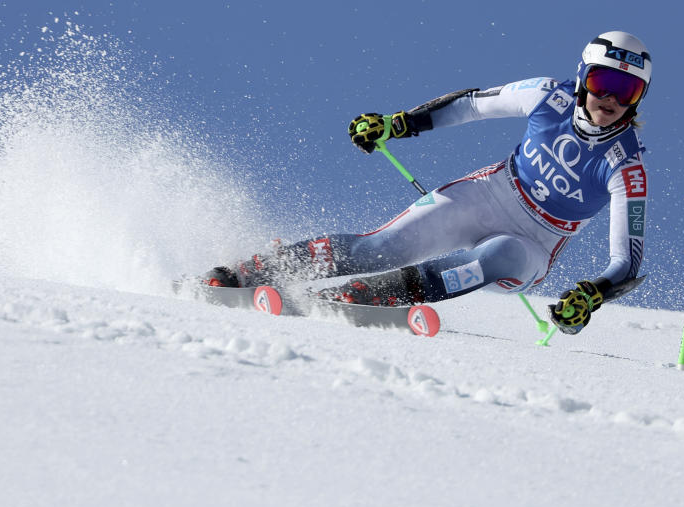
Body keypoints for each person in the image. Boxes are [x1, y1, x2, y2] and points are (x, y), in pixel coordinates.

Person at [203, 31, 652, 334]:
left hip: (535, 243)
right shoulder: (546, 96)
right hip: (491, 193)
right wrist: (399, 124)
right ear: (582, 78)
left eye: (626, 91)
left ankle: (361, 298)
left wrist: (594, 294)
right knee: (378, 248)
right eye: (602, 81)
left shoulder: (624, 166)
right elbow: (471, 105)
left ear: (637, 100)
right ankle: (249, 272)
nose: (609, 99)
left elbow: (625, 262)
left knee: (497, 255)